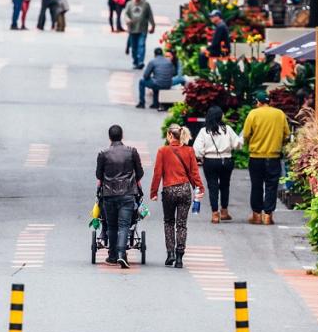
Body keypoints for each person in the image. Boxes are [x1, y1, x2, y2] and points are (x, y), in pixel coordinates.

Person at [150, 125, 204, 268]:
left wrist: (153, 192)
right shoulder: (189, 150)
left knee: (169, 222)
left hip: (169, 191)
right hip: (185, 189)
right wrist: (200, 188)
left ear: (169, 135)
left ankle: (170, 254)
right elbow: (194, 173)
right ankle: (180, 256)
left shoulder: (162, 151)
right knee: (181, 224)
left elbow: (157, 173)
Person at [96, 125, 144, 269]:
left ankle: (112, 256)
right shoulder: (132, 152)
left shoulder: (103, 154)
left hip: (109, 195)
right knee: (124, 225)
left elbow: (99, 175)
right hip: (128, 194)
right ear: (122, 136)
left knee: (111, 225)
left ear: (109, 137)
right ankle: (122, 255)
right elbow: (139, 172)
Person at [242, 91, 290, 225]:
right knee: (271, 186)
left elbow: (246, 134)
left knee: (256, 186)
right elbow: (287, 134)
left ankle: (257, 215)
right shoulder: (279, 114)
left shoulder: (253, 113)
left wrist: (251, 143)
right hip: (274, 157)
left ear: (258, 102)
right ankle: (268, 215)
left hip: (256, 157)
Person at [194, 106, 240, 224]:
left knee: (212, 187)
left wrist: (201, 156)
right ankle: (224, 211)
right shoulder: (227, 129)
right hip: (226, 160)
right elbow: (237, 144)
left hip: (210, 161)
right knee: (225, 186)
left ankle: (215, 214)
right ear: (220, 116)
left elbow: (197, 149)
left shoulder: (204, 131)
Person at [123, 0, 154, 69]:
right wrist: (128, 20)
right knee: (134, 47)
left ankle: (141, 61)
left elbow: (150, 16)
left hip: (142, 28)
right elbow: (126, 14)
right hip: (132, 29)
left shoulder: (145, 4)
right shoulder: (129, 4)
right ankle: (135, 61)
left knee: (141, 45)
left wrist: (153, 26)